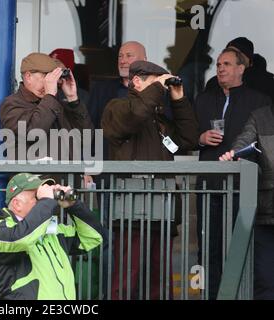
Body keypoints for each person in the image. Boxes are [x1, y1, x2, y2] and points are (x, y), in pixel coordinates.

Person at [101, 61, 199, 299]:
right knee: (125, 281)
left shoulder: (160, 122)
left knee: (159, 282)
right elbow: (136, 115)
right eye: (156, 82)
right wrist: (158, 87)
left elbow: (189, 139)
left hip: (161, 210)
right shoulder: (117, 108)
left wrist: (178, 100)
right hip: (129, 212)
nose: (162, 88)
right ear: (136, 81)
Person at [194, 47, 271, 299]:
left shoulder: (258, 101)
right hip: (209, 185)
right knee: (208, 250)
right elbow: (182, 137)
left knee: (240, 249)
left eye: (226, 64)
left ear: (241, 68)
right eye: (217, 64)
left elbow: (260, 146)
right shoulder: (204, 99)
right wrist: (200, 138)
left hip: (243, 188)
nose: (220, 68)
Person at [0, 173, 104, 299]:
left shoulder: (51, 230)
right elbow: (21, 239)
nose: (43, 200)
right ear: (17, 204)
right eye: (37, 196)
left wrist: (73, 205)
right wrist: (46, 201)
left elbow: (93, 236)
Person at [219, 104, 274, 299]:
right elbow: (243, 142)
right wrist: (233, 154)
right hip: (268, 214)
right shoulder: (261, 116)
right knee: (267, 281)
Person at [0, 52, 93, 165]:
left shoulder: (55, 103)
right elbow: (32, 133)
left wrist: (73, 100)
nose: (51, 82)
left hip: (65, 180)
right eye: (46, 76)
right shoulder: (12, 104)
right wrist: (49, 97)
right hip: (35, 181)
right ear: (28, 77)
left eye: (53, 78)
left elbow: (86, 138)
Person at [205, 37, 274, 104]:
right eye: (228, 52)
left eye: (238, 54)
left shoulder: (266, 83)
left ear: (250, 62)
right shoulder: (214, 83)